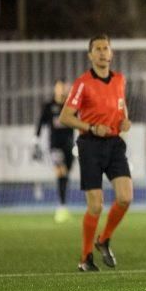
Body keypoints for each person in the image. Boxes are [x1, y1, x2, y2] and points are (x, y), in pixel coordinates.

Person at [59, 35, 133, 272]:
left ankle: (103, 240)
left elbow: (121, 108)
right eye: (97, 49)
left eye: (105, 48)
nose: (102, 52)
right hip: (90, 144)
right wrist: (91, 127)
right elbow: (65, 116)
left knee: (125, 197)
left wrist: (125, 121)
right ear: (90, 55)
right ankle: (85, 257)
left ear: (111, 54)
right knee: (95, 206)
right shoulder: (82, 83)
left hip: (114, 143)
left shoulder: (120, 79)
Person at [35, 79, 75, 222]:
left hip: (69, 146)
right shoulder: (49, 106)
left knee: (65, 175)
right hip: (55, 146)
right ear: (55, 89)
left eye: (64, 87)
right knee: (61, 172)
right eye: (60, 87)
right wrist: (36, 143)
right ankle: (61, 208)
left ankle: (63, 206)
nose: (62, 90)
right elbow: (40, 125)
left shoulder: (71, 106)